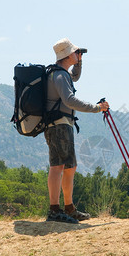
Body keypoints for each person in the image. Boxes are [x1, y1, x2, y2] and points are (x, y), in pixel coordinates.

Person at [45, 38, 109, 223]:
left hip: (60, 124)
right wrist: (96, 108)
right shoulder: (58, 75)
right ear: (67, 54)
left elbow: (74, 77)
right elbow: (69, 100)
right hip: (59, 125)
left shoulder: (59, 74)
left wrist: (79, 63)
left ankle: (69, 208)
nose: (77, 54)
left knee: (70, 167)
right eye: (75, 52)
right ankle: (55, 210)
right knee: (58, 166)